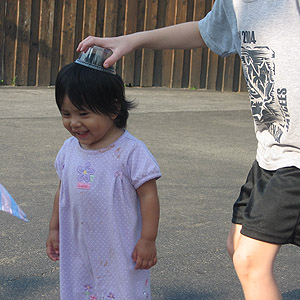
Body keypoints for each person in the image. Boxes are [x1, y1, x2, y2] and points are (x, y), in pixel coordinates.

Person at [77, 2, 300, 300]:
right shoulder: (236, 3)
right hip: (271, 152)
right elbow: (203, 31)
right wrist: (132, 40)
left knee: (251, 261)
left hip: (295, 157)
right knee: (237, 245)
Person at [46, 46, 161, 300]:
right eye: (66, 114)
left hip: (119, 249)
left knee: (121, 291)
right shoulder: (69, 149)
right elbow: (62, 190)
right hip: (79, 247)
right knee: (80, 289)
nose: (74, 123)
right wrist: (54, 230)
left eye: (83, 114)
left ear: (113, 109)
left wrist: (148, 239)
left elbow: (148, 196)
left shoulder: (131, 151)